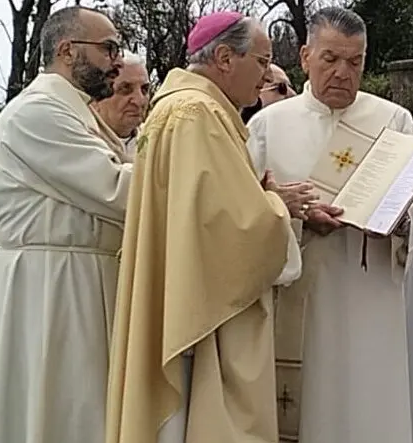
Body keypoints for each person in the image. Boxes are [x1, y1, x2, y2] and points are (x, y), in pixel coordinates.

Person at [104, 11, 316, 443]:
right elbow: (227, 228)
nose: (266, 76)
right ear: (223, 57)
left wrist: (257, 196)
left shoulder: (179, 107)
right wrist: (279, 206)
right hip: (202, 316)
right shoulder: (197, 113)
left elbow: (202, 208)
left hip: (182, 292)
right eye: (261, 62)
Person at [246, 7, 413, 443]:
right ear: (304, 56)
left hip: (371, 293)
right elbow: (245, 209)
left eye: (355, 62)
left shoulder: (393, 121)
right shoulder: (266, 127)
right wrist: (295, 220)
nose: (343, 73)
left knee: (372, 409)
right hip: (303, 291)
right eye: (330, 59)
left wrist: (394, 221)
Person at [0, 6, 130, 443]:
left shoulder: (76, 111)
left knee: (79, 405)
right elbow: (116, 189)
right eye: (108, 48)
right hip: (51, 284)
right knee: (55, 403)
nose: (116, 59)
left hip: (79, 274)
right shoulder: (39, 113)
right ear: (67, 49)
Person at [91, 53, 150, 156]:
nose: (139, 100)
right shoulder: (78, 142)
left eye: (144, 89)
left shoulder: (156, 141)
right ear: (95, 97)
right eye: (125, 89)